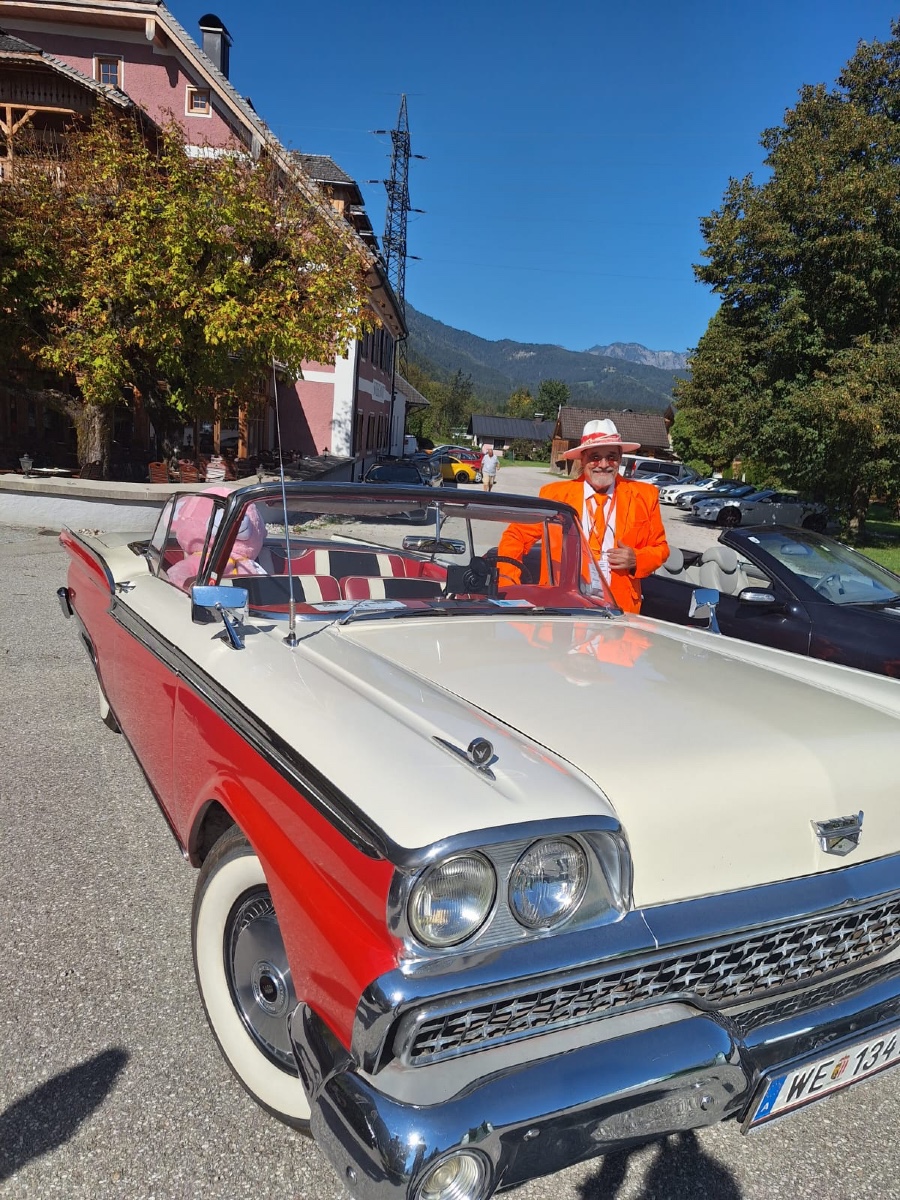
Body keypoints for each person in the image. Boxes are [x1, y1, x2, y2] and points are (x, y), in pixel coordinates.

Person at [497, 419, 668, 613]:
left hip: (620, 611)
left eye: (611, 456)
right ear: (582, 459)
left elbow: (660, 548)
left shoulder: (644, 496)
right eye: (595, 457)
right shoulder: (555, 496)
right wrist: (508, 583)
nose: (603, 465)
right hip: (563, 606)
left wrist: (637, 559)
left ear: (620, 458)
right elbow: (515, 536)